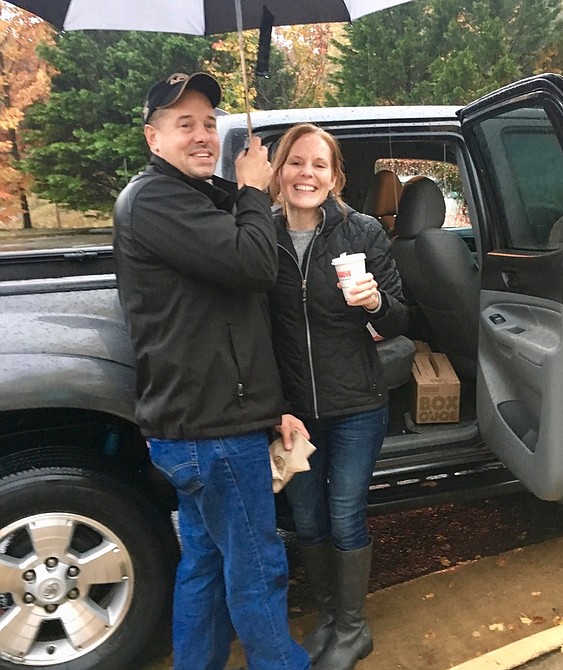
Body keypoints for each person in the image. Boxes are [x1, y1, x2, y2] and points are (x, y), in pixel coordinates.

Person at [113, 72, 310, 670]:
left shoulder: (188, 196)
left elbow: (230, 302)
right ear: (153, 137)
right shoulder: (153, 200)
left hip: (202, 425)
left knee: (204, 564)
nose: (202, 135)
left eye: (208, 123)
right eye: (184, 125)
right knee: (258, 567)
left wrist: (246, 184)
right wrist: (252, 191)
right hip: (213, 431)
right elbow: (254, 264)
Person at [268, 124, 408, 670]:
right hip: (293, 412)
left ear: (335, 177)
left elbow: (400, 317)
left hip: (356, 404)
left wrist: (375, 302)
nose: (307, 174)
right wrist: (275, 407)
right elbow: (253, 329)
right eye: (296, 163)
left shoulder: (363, 232)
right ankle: (329, 615)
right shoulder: (261, 234)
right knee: (306, 519)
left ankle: (352, 629)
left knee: (346, 512)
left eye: (319, 165)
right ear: (278, 172)